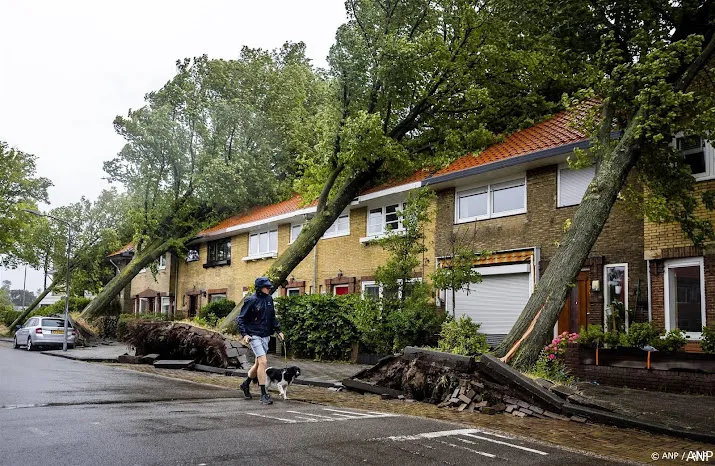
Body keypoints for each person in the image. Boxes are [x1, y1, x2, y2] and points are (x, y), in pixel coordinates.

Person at [237, 276, 284, 405]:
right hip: (254, 335)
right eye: (266, 287)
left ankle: (245, 384)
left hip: (266, 335)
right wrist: (245, 334)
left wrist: (278, 331)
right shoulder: (251, 300)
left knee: (258, 363)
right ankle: (263, 394)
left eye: (269, 286)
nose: (269, 288)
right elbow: (241, 318)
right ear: (259, 288)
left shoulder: (269, 299)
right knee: (263, 362)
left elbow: (272, 317)